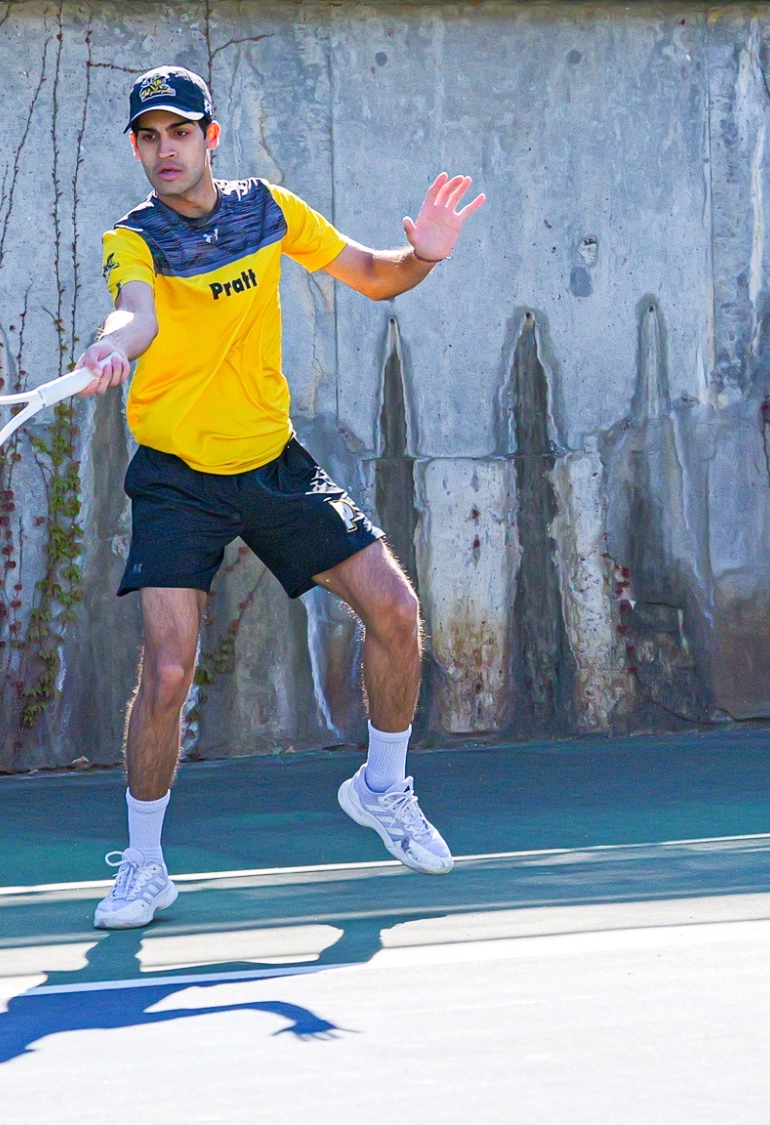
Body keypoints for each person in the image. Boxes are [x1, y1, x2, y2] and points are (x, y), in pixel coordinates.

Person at [74, 66, 485, 930]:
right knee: (169, 667)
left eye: (179, 133)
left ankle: (382, 787)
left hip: (270, 461)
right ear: (136, 148)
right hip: (178, 476)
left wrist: (426, 256)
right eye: (148, 137)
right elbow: (135, 312)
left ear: (209, 138)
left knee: (397, 611)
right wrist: (113, 346)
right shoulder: (132, 237)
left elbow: (374, 274)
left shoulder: (270, 210)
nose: (164, 151)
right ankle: (144, 867)